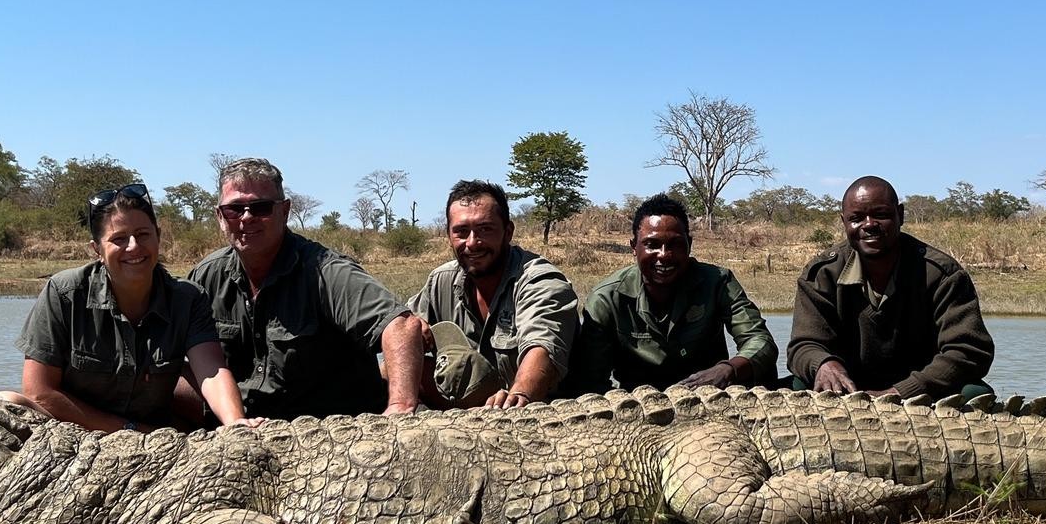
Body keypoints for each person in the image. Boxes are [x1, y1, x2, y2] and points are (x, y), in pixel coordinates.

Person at [187, 157, 425, 419]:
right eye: (234, 209)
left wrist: (399, 409)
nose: (247, 217)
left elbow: (402, 327)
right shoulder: (206, 275)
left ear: (285, 211)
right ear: (220, 216)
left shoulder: (326, 271)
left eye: (261, 207)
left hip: (330, 427)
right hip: (243, 425)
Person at [1, 182, 247, 432]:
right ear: (97, 249)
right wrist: (128, 430)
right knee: (6, 402)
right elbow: (39, 392)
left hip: (153, 430)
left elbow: (212, 371)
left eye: (143, 234)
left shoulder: (188, 298)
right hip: (76, 427)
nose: (133, 246)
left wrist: (236, 423)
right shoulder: (64, 293)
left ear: (158, 237)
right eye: (119, 239)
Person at [788, 175, 994, 400]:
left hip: (920, 391)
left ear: (900, 215)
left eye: (881, 215)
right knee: (796, 385)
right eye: (856, 218)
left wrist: (900, 392)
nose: (869, 225)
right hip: (848, 388)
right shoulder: (822, 273)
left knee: (975, 393)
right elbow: (803, 345)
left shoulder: (942, 274)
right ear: (844, 221)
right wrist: (823, 364)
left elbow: (969, 350)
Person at [571, 193, 777, 394]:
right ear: (634, 247)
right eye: (652, 245)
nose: (664, 255)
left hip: (710, 398)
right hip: (638, 405)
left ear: (689, 245)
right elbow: (591, 378)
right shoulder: (606, 298)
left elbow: (760, 340)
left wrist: (728, 369)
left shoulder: (718, 282)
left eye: (675, 244)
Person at [409, 179, 578, 408]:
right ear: (448, 235)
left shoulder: (540, 281)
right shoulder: (441, 280)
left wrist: (520, 395)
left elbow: (542, 347)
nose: (472, 243)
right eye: (461, 232)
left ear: (508, 232)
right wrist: (411, 328)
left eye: (485, 229)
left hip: (537, 411)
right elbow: (400, 328)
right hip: (469, 408)